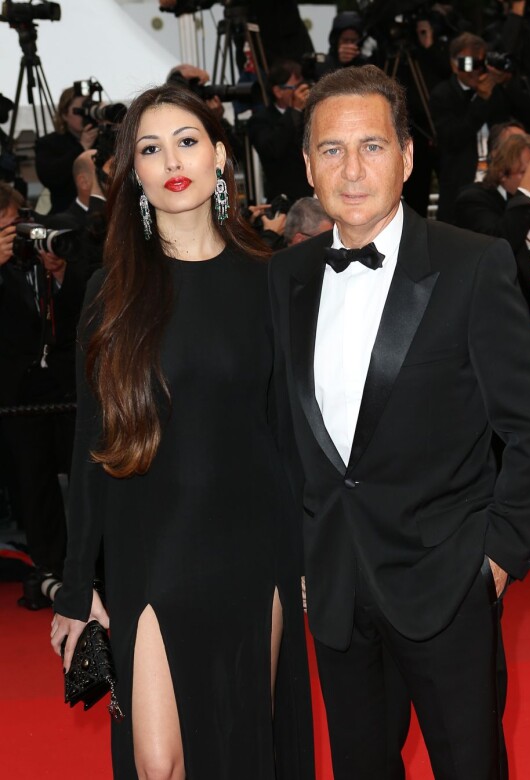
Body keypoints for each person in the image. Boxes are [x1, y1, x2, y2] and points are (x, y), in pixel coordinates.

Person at [269, 64, 530, 779]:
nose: (353, 168)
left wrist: (493, 560)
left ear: (406, 155)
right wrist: (298, 551)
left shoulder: (472, 265)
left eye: (371, 146)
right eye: (332, 150)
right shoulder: (285, 280)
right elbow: (281, 429)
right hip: (335, 589)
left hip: (447, 582)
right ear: (308, 165)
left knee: (470, 766)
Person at [49, 83, 314, 780]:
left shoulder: (269, 279)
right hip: (152, 546)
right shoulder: (112, 293)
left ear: (220, 157)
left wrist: (314, 551)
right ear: (132, 173)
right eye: (150, 148)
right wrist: (78, 588)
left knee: (243, 748)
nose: (172, 159)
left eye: (188, 141)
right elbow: (88, 445)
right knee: (159, 762)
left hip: (257, 545)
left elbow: (289, 429)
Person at [454, 132, 530, 563]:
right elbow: (498, 245)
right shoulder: (476, 201)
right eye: (528, 166)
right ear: (508, 169)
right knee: (522, 441)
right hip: (509, 344)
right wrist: (526, 190)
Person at [0, 183, 86, 609]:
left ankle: (91, 566)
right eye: (7, 226)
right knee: (34, 486)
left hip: (65, 387)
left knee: (84, 475)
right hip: (17, 395)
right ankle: (48, 569)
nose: (17, 232)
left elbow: (80, 310)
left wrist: (59, 272)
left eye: (19, 221)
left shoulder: (45, 251)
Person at [429, 31, 530, 222]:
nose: (476, 70)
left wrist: (507, 83)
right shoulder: (442, 94)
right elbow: (452, 138)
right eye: (469, 64)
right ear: (454, 65)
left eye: (481, 63)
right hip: (460, 184)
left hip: (498, 181)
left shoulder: (497, 91)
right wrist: (481, 100)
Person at [247, 60, 313, 203]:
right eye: (296, 87)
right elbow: (272, 149)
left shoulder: (310, 115)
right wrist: (294, 110)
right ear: (278, 91)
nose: (302, 91)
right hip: (284, 200)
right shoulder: (260, 120)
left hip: (314, 196)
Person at [35, 86, 99, 214]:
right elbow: (50, 178)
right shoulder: (48, 143)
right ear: (64, 115)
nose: (84, 115)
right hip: (67, 215)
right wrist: (82, 147)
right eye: (78, 111)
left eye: (87, 109)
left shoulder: (104, 138)